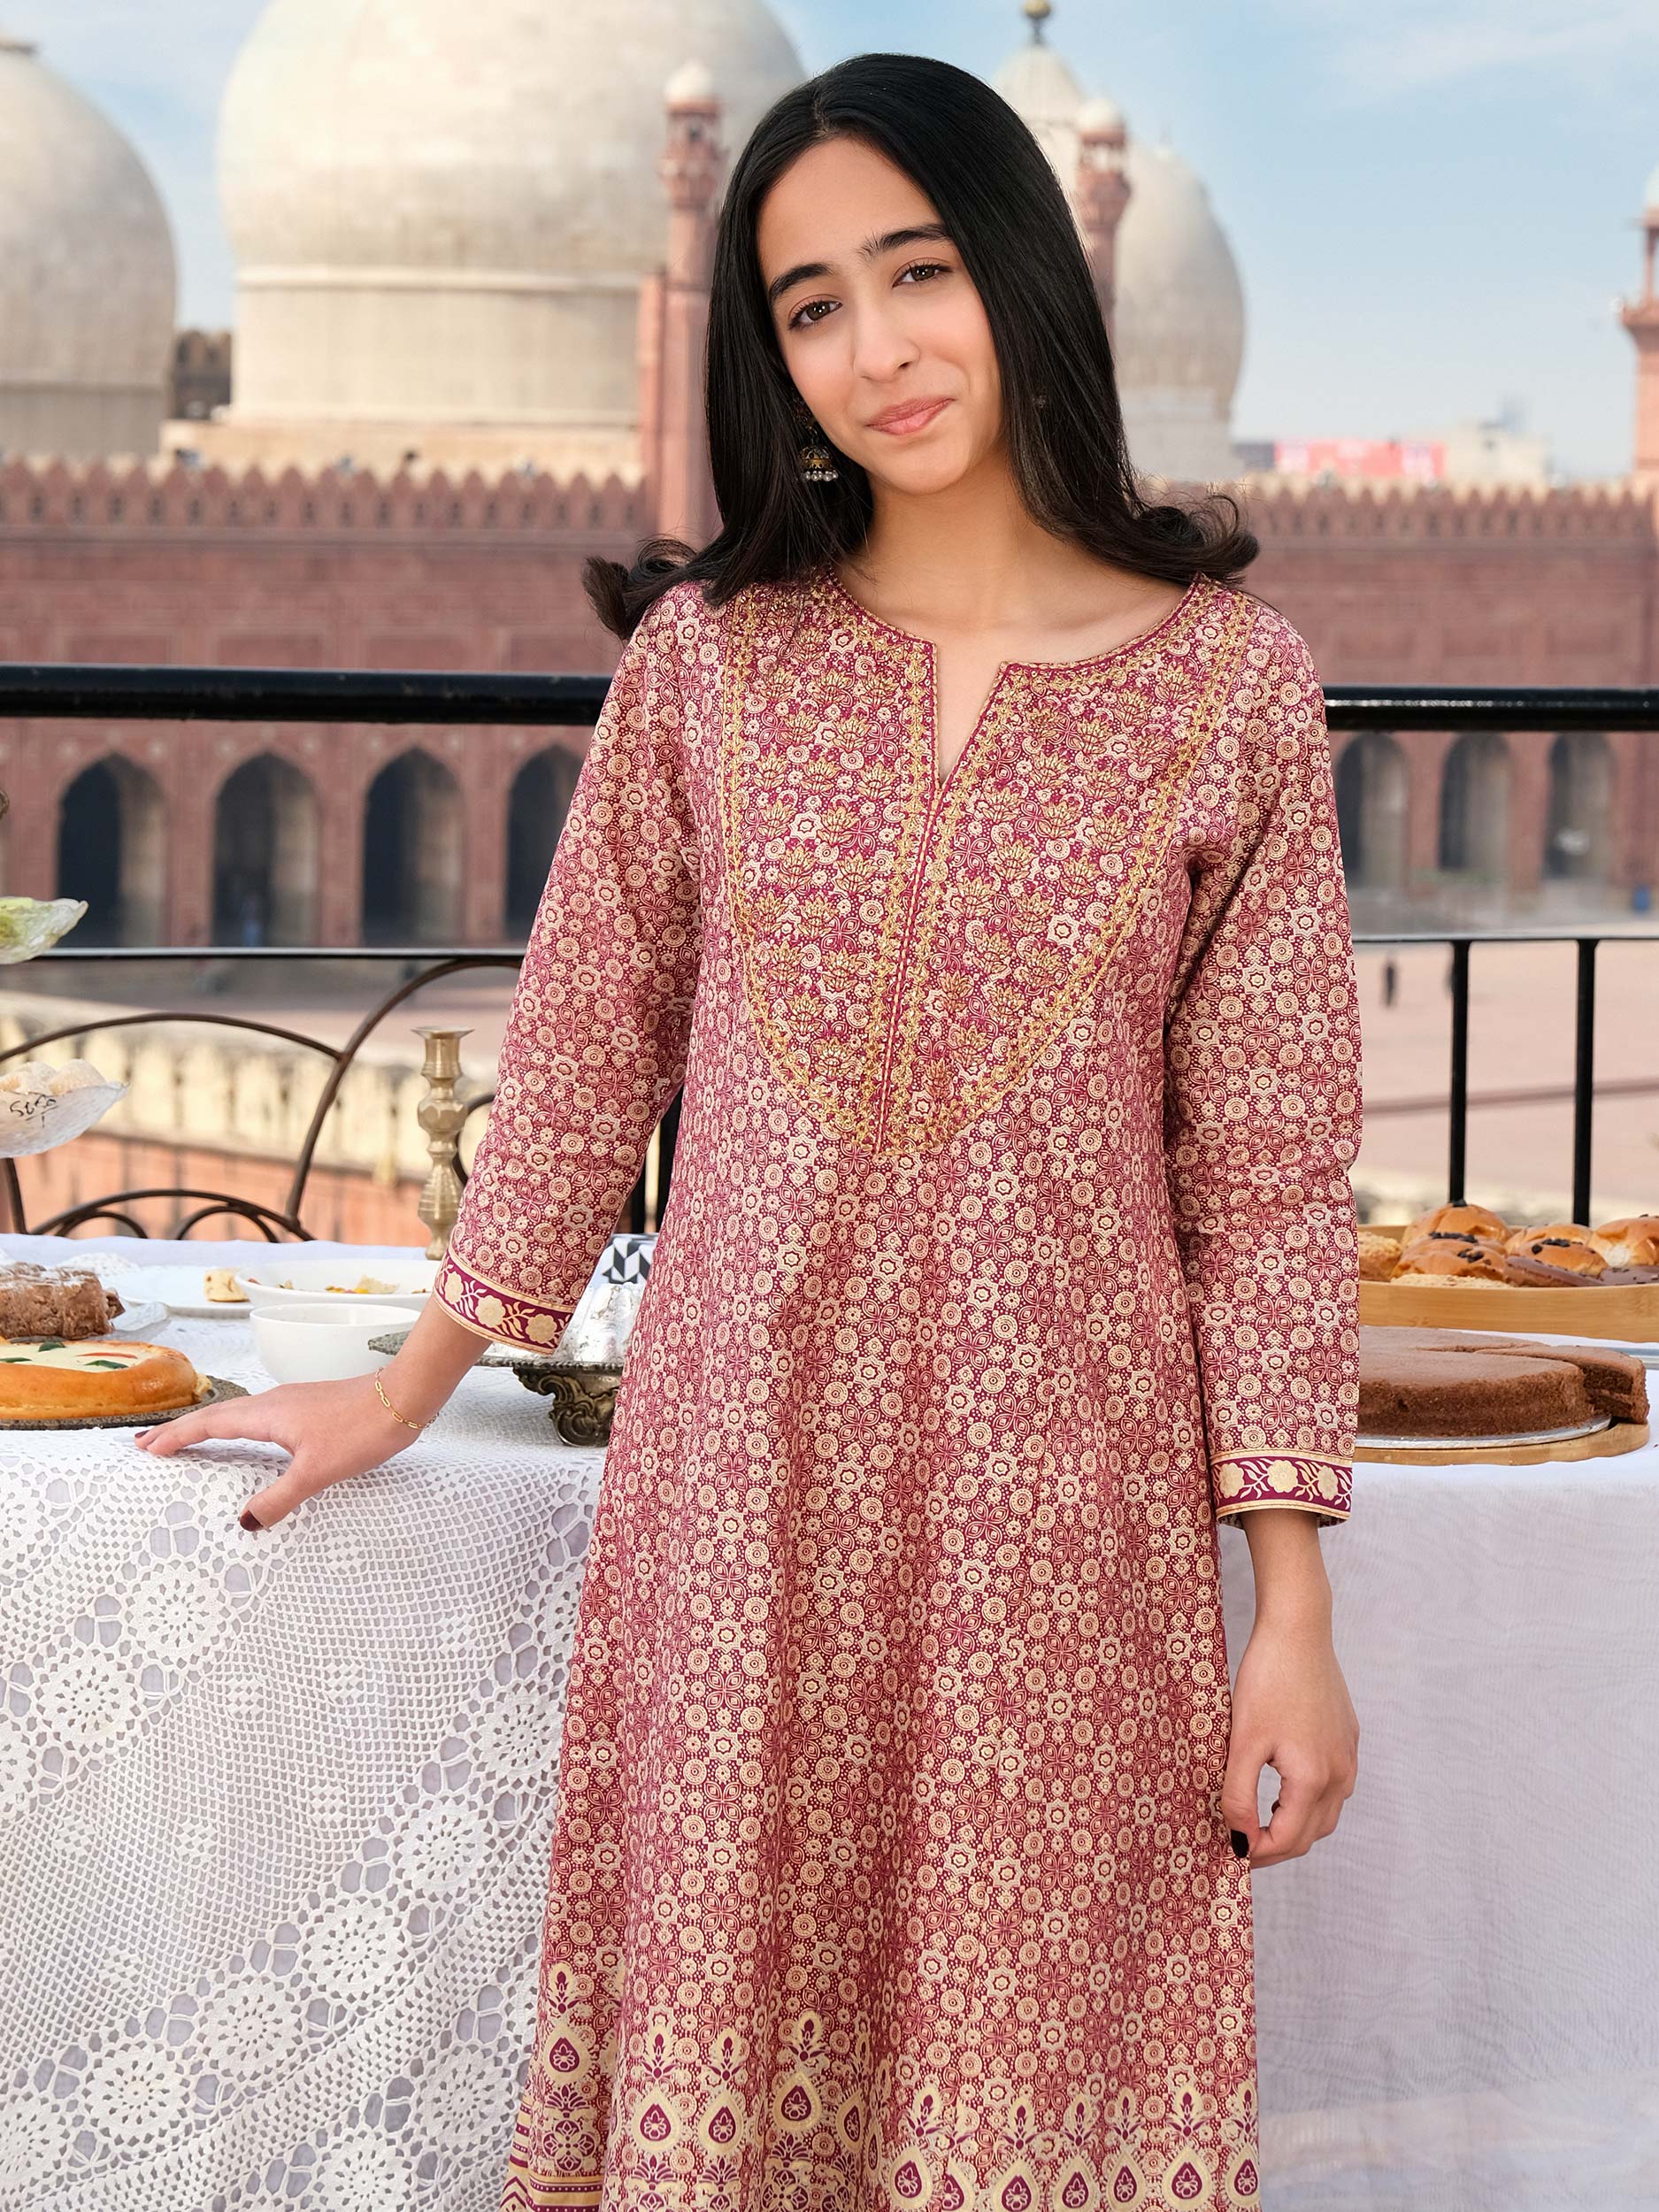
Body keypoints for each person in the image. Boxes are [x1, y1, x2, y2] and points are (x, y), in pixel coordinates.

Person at [137, 53, 1362, 2210]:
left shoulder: (1229, 687)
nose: (877, 347)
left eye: (917, 270)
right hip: (738, 1499)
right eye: (811, 305)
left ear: (1022, 269)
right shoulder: (706, 666)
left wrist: (1287, 1608)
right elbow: (581, 1054)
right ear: (765, 356)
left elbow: (1260, 1178)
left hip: (1062, 1536)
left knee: (1014, 2070)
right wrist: (406, 1384)